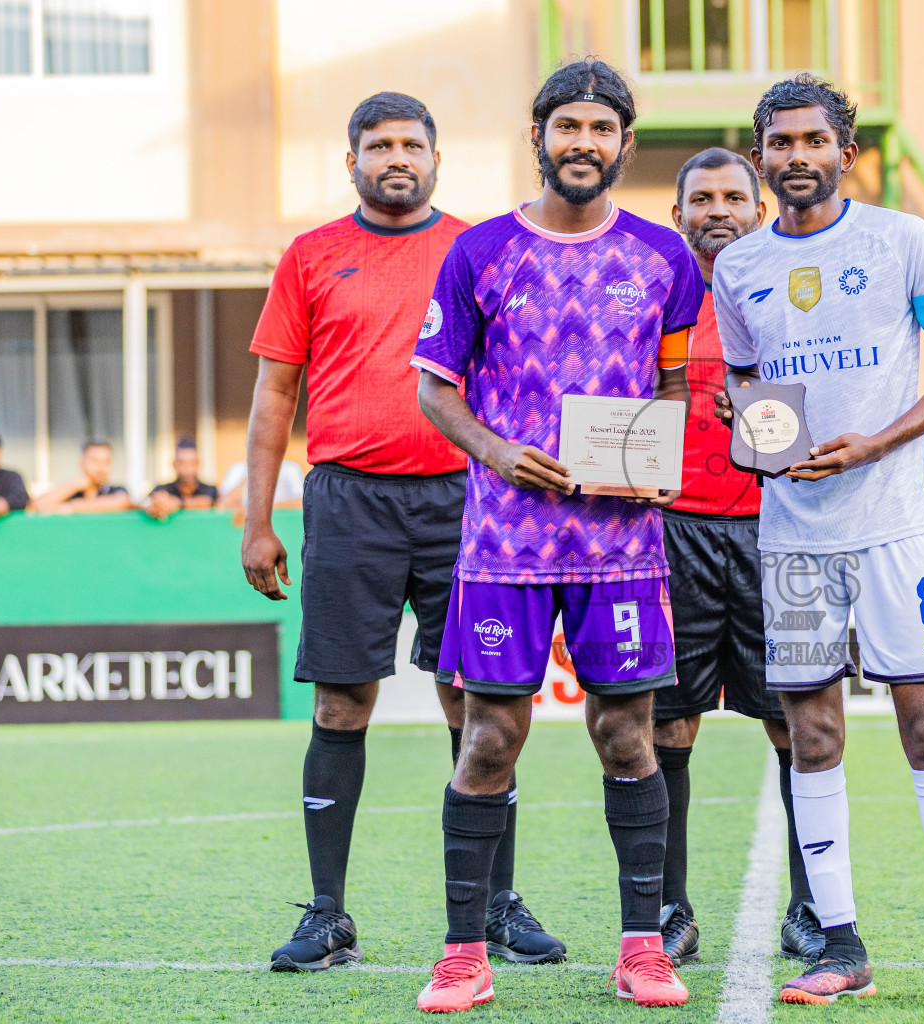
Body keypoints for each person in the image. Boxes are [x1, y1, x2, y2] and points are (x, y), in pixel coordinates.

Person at [240, 92, 558, 973]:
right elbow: (276, 394)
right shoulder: (311, 255)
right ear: (351, 161)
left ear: (436, 158)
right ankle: (329, 915)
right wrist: (257, 518)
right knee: (343, 700)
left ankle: (496, 903)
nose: (395, 157)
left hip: (465, 499)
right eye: (378, 145)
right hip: (347, 501)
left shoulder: (479, 247)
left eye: (411, 144)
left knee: (482, 700)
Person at [411, 59, 702, 1013]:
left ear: (624, 143)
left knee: (628, 735)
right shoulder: (481, 252)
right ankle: (463, 954)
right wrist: (497, 452)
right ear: (538, 136)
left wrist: (653, 458)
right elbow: (434, 387)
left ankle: (641, 950)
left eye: (602, 128)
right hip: (505, 543)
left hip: (620, 544)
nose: (583, 142)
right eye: (566, 125)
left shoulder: (666, 260)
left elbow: (673, 386)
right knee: (490, 739)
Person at [712, 73, 924, 1012]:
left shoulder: (900, 239)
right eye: (780, 143)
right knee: (814, 734)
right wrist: (750, 430)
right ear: (761, 156)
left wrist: (878, 441)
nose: (797, 157)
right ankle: (841, 946)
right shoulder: (739, 267)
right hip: (792, 540)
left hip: (892, 532)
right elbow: (758, 401)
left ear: (844, 149)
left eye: (813, 141)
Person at [653, 146, 824, 966]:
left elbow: (819, 413)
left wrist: (755, 421)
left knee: (796, 723)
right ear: (677, 212)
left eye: (732, 197)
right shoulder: (649, 292)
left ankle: (811, 908)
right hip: (670, 533)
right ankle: (668, 907)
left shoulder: (785, 291)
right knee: (667, 724)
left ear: (757, 209)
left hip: (777, 531)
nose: (717, 210)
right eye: (701, 197)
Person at [33, 441, 133, 514]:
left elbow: (121, 502)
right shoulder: (72, 494)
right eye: (95, 461)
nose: (101, 468)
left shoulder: (116, 491)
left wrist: (68, 508)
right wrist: (73, 486)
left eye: (106, 462)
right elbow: (37, 505)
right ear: (82, 463)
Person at [143, 438, 219, 521]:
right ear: (174, 464)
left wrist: (177, 503)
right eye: (182, 463)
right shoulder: (163, 489)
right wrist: (155, 505)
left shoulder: (210, 490)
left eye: (192, 463)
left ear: (198, 463)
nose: (187, 469)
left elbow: (208, 502)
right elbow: (144, 502)